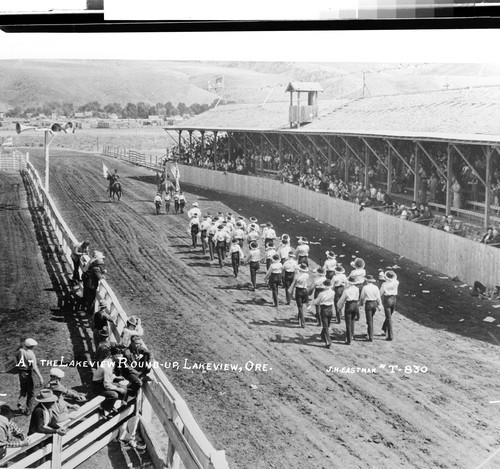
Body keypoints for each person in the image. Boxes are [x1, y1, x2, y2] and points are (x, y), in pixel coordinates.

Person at [91, 347, 128, 415]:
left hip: (103, 381)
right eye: (120, 357)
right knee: (114, 395)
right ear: (115, 356)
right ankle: (102, 408)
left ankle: (111, 405)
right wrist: (118, 389)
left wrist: (116, 377)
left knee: (124, 387)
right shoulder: (107, 365)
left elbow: (108, 375)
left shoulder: (111, 361)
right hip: (98, 385)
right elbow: (107, 384)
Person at [16, 338, 43, 415]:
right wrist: (40, 377)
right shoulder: (31, 354)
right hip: (28, 372)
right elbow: (34, 367)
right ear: (32, 346)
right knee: (31, 392)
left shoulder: (21, 351)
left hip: (21, 372)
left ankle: (20, 403)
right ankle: (28, 410)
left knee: (23, 389)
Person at [337, 275, 360, 345]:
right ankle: (352, 334)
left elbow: (342, 300)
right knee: (352, 320)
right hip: (355, 305)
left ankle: (348, 339)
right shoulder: (357, 289)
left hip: (349, 305)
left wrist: (339, 307)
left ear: (349, 282)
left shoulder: (346, 291)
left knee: (348, 322)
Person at [313, 279, 336, 348]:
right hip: (330, 309)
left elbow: (316, 302)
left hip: (324, 309)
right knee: (327, 324)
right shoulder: (333, 292)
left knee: (325, 326)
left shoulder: (321, 293)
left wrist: (313, 302)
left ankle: (328, 341)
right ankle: (322, 335)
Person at [359, 275, 382, 342]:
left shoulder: (365, 288)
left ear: (367, 281)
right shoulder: (376, 287)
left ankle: (370, 336)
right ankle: (369, 332)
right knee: (370, 318)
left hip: (368, 304)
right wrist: (379, 305)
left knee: (369, 320)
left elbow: (362, 297)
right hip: (374, 303)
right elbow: (378, 297)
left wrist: (361, 304)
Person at [83, 251, 106, 315]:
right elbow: (99, 277)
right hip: (92, 286)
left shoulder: (94, 266)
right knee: (91, 299)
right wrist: (103, 276)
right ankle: (89, 312)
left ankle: (88, 310)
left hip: (89, 284)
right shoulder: (96, 268)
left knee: (89, 298)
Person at [288, 263, 310, 328]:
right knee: (302, 306)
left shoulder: (297, 275)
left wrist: (290, 291)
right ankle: (299, 319)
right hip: (305, 290)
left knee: (300, 307)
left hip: (299, 290)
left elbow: (293, 283)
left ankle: (303, 322)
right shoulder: (307, 275)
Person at [380, 270, 399, 341]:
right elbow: (394, 280)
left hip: (387, 299)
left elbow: (381, 293)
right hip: (394, 299)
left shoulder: (384, 284)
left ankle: (390, 336)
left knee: (388, 318)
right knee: (389, 315)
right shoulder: (396, 282)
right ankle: (385, 328)